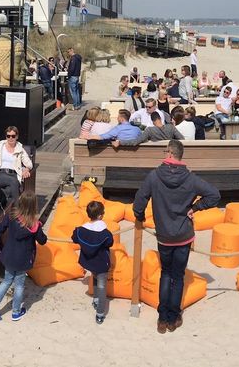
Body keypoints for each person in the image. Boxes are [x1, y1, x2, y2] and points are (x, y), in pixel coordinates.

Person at [133, 140, 221, 334]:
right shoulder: (190, 179)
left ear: (170, 154)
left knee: (166, 273)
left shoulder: (154, 176)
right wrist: (195, 208)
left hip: (164, 234)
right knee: (177, 276)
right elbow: (214, 195)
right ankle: (173, 317)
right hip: (183, 234)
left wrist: (139, 217)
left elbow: (138, 204)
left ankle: (162, 318)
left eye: (165, 151)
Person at [0, 192, 47, 323]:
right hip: (23, 260)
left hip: (8, 255)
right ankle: (16, 312)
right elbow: (43, 241)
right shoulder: (35, 225)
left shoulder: (11, 216)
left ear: (21, 202)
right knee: (19, 285)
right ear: (34, 206)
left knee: (7, 280)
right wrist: (39, 230)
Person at [73, 201, 115, 324]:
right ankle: (100, 313)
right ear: (100, 216)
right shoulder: (105, 233)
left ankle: (96, 300)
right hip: (101, 263)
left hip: (88, 261)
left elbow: (74, 237)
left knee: (95, 278)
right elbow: (110, 243)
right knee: (102, 286)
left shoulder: (81, 230)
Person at [0, 127, 33, 204]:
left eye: (13, 136)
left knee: (11, 187)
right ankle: (17, 208)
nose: (10, 138)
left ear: (17, 136)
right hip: (0, 174)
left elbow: (29, 163)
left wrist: (26, 169)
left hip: (14, 174)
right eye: (8, 136)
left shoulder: (20, 149)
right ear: (6, 136)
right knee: (14, 182)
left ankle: (3, 198)